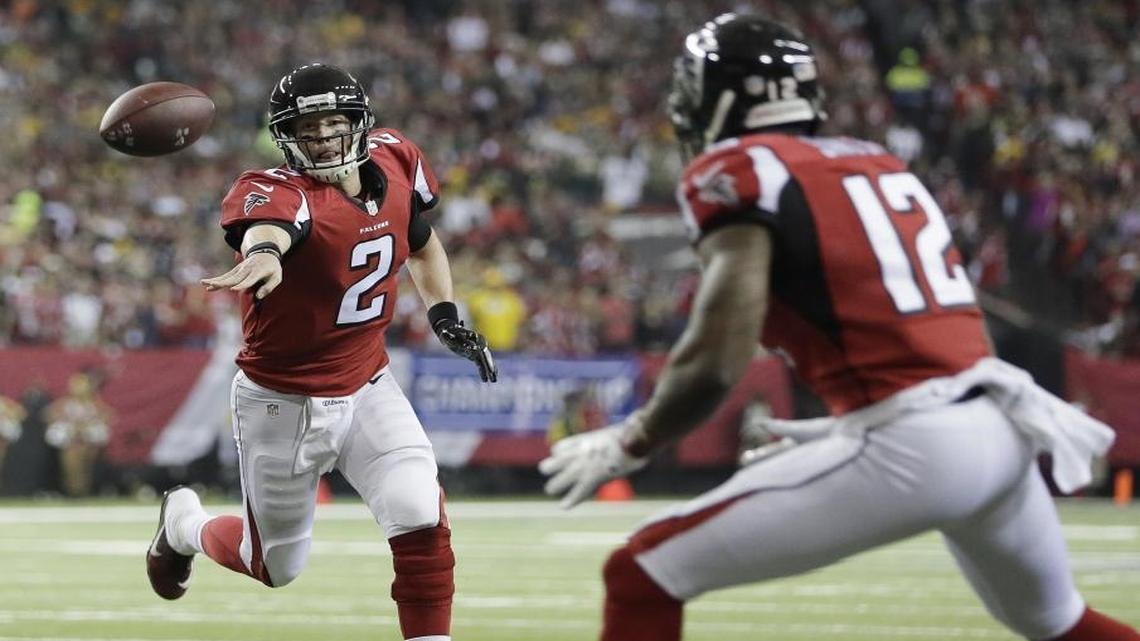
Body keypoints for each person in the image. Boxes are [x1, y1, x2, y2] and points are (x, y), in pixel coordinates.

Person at [539, 14, 1139, 641]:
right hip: (997, 423)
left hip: (918, 444)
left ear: (722, 98)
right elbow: (940, 330)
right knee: (1061, 623)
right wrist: (850, 423)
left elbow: (718, 352)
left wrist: (632, 441)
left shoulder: (743, 172)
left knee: (640, 573)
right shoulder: (875, 162)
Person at [146, 63, 497, 641]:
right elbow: (270, 228)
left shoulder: (398, 159)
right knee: (274, 567)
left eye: (335, 124)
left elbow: (421, 242)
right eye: (308, 131)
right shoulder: (281, 190)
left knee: (419, 510)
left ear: (360, 124)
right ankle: (184, 523)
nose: (325, 140)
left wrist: (443, 315)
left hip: (368, 382)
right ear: (287, 140)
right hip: (284, 402)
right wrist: (265, 254)